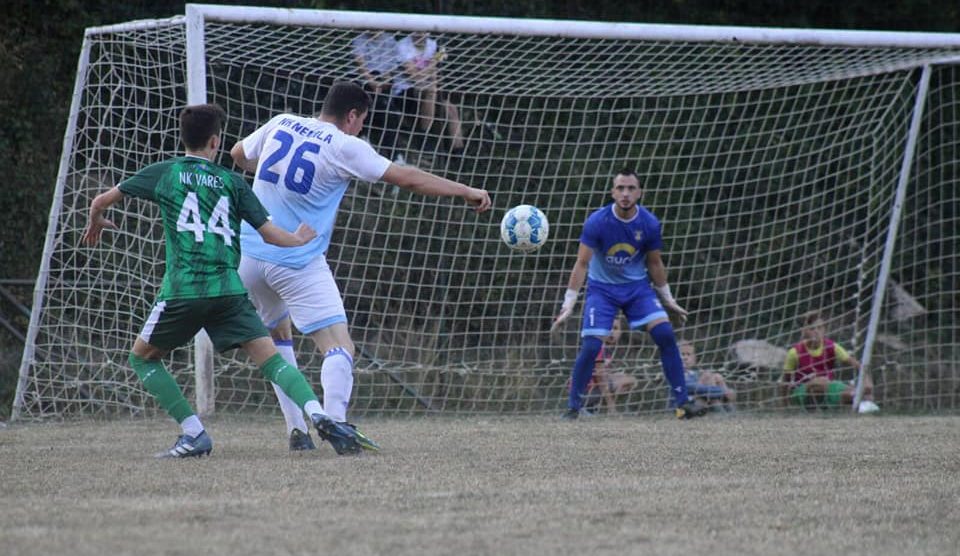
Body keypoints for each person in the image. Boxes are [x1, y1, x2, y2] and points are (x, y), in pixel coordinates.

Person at [81, 103, 364, 458]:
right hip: (230, 290)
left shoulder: (165, 173)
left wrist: (95, 219)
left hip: (183, 290)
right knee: (273, 361)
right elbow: (270, 234)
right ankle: (319, 415)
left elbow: (101, 200)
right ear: (216, 141)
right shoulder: (233, 183)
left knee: (143, 358)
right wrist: (298, 239)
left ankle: (193, 433)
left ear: (183, 138)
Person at [230, 81, 491, 451]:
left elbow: (238, 154)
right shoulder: (344, 145)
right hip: (295, 258)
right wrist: (465, 190)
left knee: (279, 337)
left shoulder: (281, 122)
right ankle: (337, 424)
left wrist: (274, 173)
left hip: (250, 253)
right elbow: (408, 178)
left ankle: (298, 432)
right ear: (352, 116)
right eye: (363, 120)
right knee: (339, 346)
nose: (361, 128)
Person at [552, 168, 708, 420]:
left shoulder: (649, 223)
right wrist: (568, 303)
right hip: (602, 290)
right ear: (612, 192)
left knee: (665, 334)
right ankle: (573, 408)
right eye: (620, 188)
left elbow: (654, 263)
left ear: (639, 193)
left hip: (637, 290)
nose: (625, 193)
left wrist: (668, 298)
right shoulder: (597, 221)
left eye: (631, 188)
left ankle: (682, 405)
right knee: (591, 346)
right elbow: (581, 263)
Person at [779, 310, 880, 413]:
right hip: (802, 390)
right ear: (804, 331)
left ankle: (862, 401)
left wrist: (867, 381)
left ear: (824, 330)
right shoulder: (795, 352)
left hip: (828, 388)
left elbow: (858, 365)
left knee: (855, 393)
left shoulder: (832, 346)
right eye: (812, 328)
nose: (816, 331)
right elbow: (785, 380)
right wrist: (784, 405)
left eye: (820, 328)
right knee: (818, 382)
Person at [394, 32, 465, 154]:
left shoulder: (433, 45)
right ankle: (425, 137)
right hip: (405, 92)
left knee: (451, 108)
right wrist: (433, 62)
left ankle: (458, 151)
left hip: (429, 88)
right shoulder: (402, 46)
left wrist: (431, 69)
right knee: (430, 93)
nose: (420, 34)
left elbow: (435, 76)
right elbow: (415, 77)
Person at [351, 31, 405, 164]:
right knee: (367, 104)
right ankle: (363, 138)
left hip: (383, 85)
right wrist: (373, 82)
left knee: (389, 113)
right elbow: (360, 66)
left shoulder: (390, 40)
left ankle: (395, 155)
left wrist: (383, 82)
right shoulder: (359, 40)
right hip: (363, 83)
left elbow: (391, 70)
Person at [581, 316, 638, 414]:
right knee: (630, 381)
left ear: (620, 332)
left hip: (589, 387)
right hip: (583, 392)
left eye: (615, 328)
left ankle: (593, 407)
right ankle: (599, 408)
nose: (611, 331)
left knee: (624, 377)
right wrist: (611, 406)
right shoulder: (598, 346)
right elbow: (600, 377)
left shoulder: (606, 348)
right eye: (608, 327)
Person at [679, 340, 736, 412]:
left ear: (694, 359)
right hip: (684, 408)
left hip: (702, 401)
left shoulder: (694, 373)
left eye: (688, 354)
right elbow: (692, 388)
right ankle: (722, 407)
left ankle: (729, 410)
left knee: (717, 376)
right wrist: (723, 391)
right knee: (708, 377)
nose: (685, 358)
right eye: (682, 354)